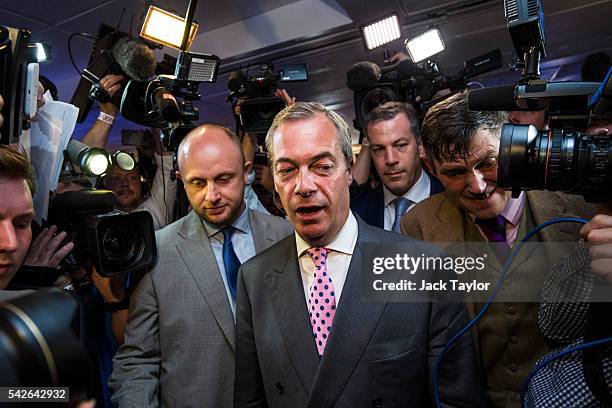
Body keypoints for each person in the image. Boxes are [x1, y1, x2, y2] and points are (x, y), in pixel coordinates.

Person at [234, 102, 484, 407]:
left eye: (322, 167)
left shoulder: (425, 267)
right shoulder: (254, 277)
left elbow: (456, 399)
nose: (304, 186)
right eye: (287, 170)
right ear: (273, 179)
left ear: (349, 170)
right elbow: (251, 400)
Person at [400, 91, 596, 407]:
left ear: (511, 146)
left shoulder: (576, 206)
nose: (477, 186)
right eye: (454, 172)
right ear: (432, 168)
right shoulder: (418, 226)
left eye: (488, 163)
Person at [109, 124, 292, 408]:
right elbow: (137, 360)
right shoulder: (158, 253)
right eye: (198, 183)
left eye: (224, 179)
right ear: (181, 180)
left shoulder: (286, 237)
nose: (212, 195)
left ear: (246, 174)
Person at [350, 102, 444, 231]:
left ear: (420, 146)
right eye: (379, 149)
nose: (390, 159)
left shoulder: (454, 200)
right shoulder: (357, 214)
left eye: (400, 145)